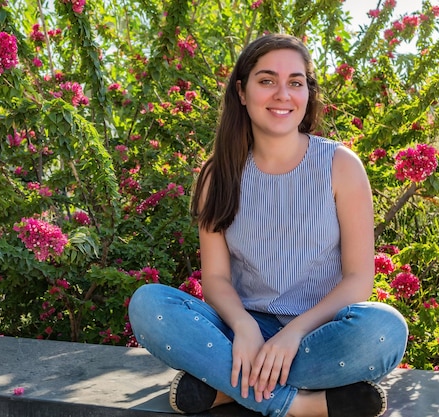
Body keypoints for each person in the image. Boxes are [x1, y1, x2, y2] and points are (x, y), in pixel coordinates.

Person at [128, 33, 408, 417]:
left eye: (295, 82)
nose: (282, 93)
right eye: (266, 80)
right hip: (241, 331)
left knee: (385, 330)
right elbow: (217, 280)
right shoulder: (219, 174)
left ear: (307, 94)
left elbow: (358, 278)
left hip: (319, 331)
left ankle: (227, 387)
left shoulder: (341, 166)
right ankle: (299, 405)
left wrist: (293, 334)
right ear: (242, 92)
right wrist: (244, 328)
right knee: (149, 305)